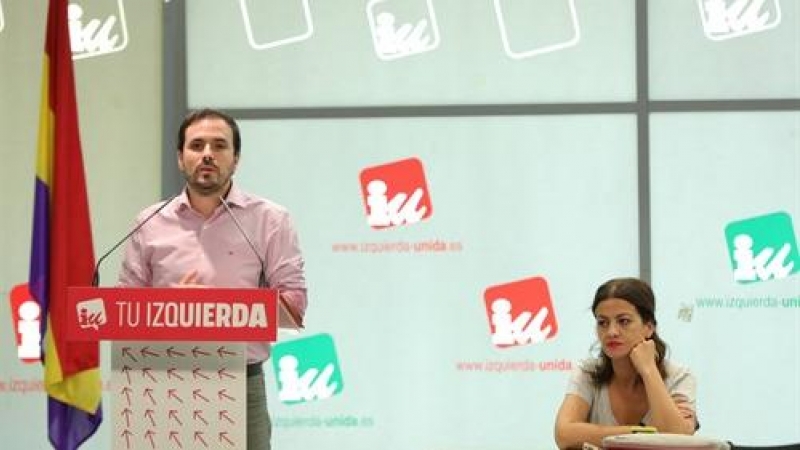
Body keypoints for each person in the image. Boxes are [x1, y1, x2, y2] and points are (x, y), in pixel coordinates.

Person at [118, 108, 307, 450]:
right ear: (181, 158)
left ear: (235, 159)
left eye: (219, 146)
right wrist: (173, 310)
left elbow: (294, 306)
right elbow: (124, 313)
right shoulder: (149, 221)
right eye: (197, 145)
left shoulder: (271, 220)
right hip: (166, 381)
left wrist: (217, 309)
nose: (207, 154)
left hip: (239, 383)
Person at [554, 277, 696, 449]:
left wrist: (649, 370)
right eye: (603, 323)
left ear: (649, 327)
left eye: (624, 321)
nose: (612, 332)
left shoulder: (678, 376)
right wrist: (638, 434)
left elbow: (677, 440)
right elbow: (564, 435)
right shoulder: (587, 372)